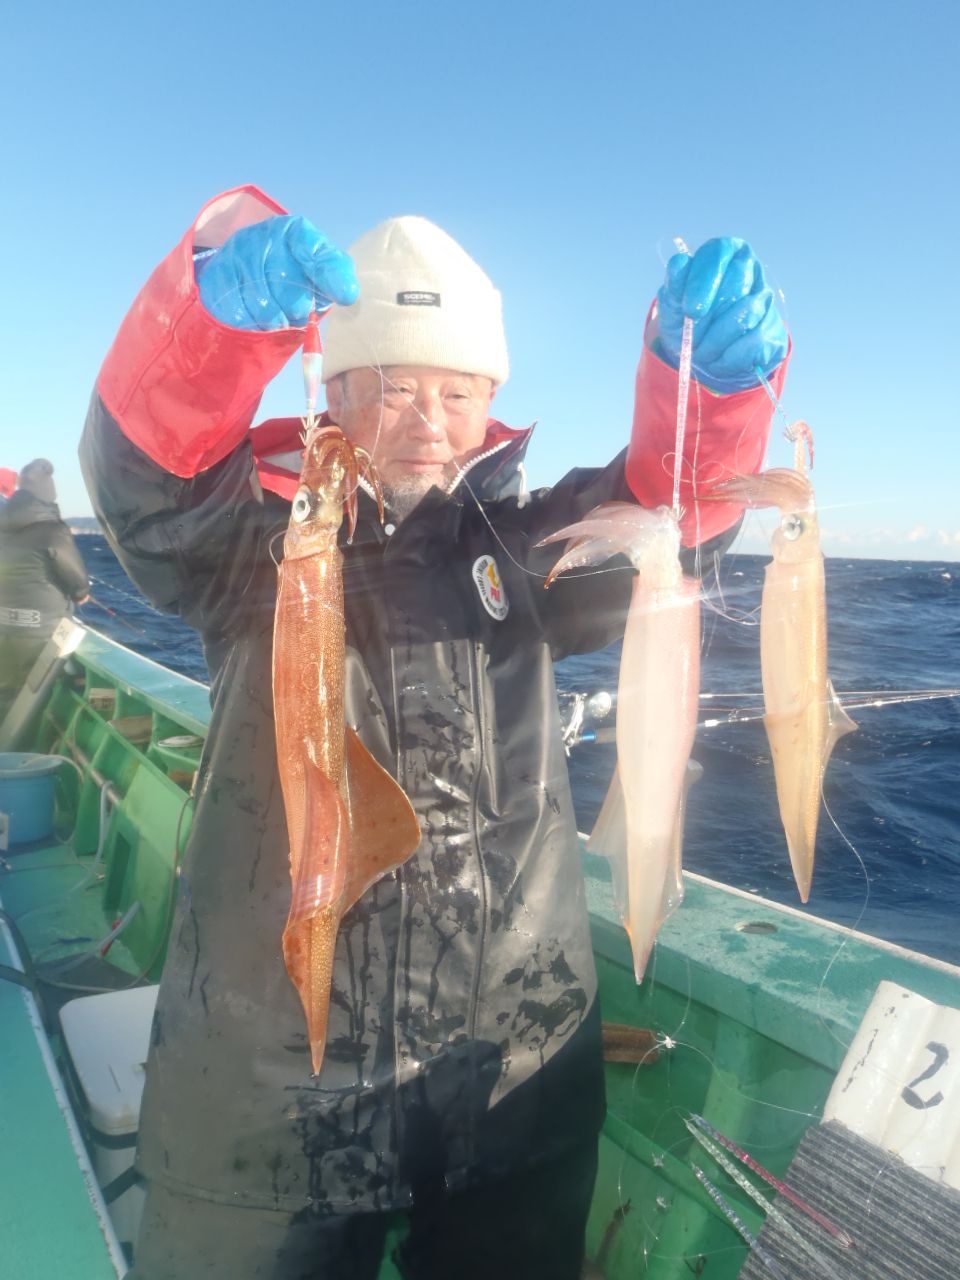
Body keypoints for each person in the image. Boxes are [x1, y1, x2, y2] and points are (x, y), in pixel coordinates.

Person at [79, 186, 788, 1280]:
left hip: (513, 1080)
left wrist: (713, 397)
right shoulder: (248, 541)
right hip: (262, 1101)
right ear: (336, 390)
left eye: (458, 392)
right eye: (394, 386)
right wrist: (212, 332)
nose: (427, 419)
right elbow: (146, 484)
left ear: (492, 401)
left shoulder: (530, 543)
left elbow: (668, 518)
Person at [0, 459, 90, 721]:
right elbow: (75, 577)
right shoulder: (53, 529)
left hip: (4, 625)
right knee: (42, 695)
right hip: (42, 630)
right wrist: (81, 592)